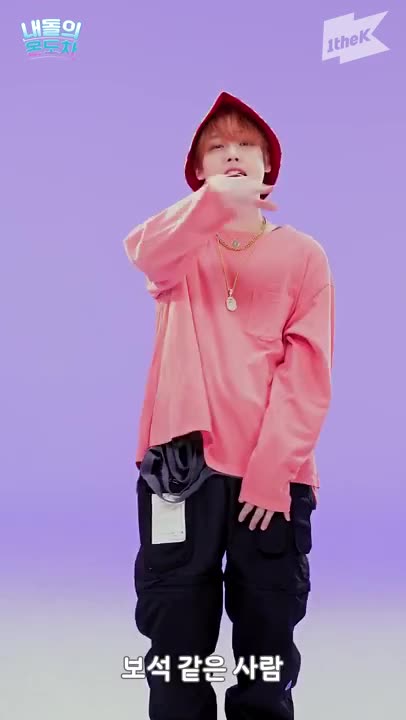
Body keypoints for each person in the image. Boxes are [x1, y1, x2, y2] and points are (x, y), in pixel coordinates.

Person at [123, 90, 335, 720]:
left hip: (271, 473)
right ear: (198, 171)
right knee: (175, 635)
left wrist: (273, 472)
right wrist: (211, 204)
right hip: (180, 468)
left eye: (247, 145)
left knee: (267, 636)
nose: (233, 154)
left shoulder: (304, 255)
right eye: (217, 147)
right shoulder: (180, 246)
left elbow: (308, 371)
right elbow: (143, 250)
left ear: (270, 167)